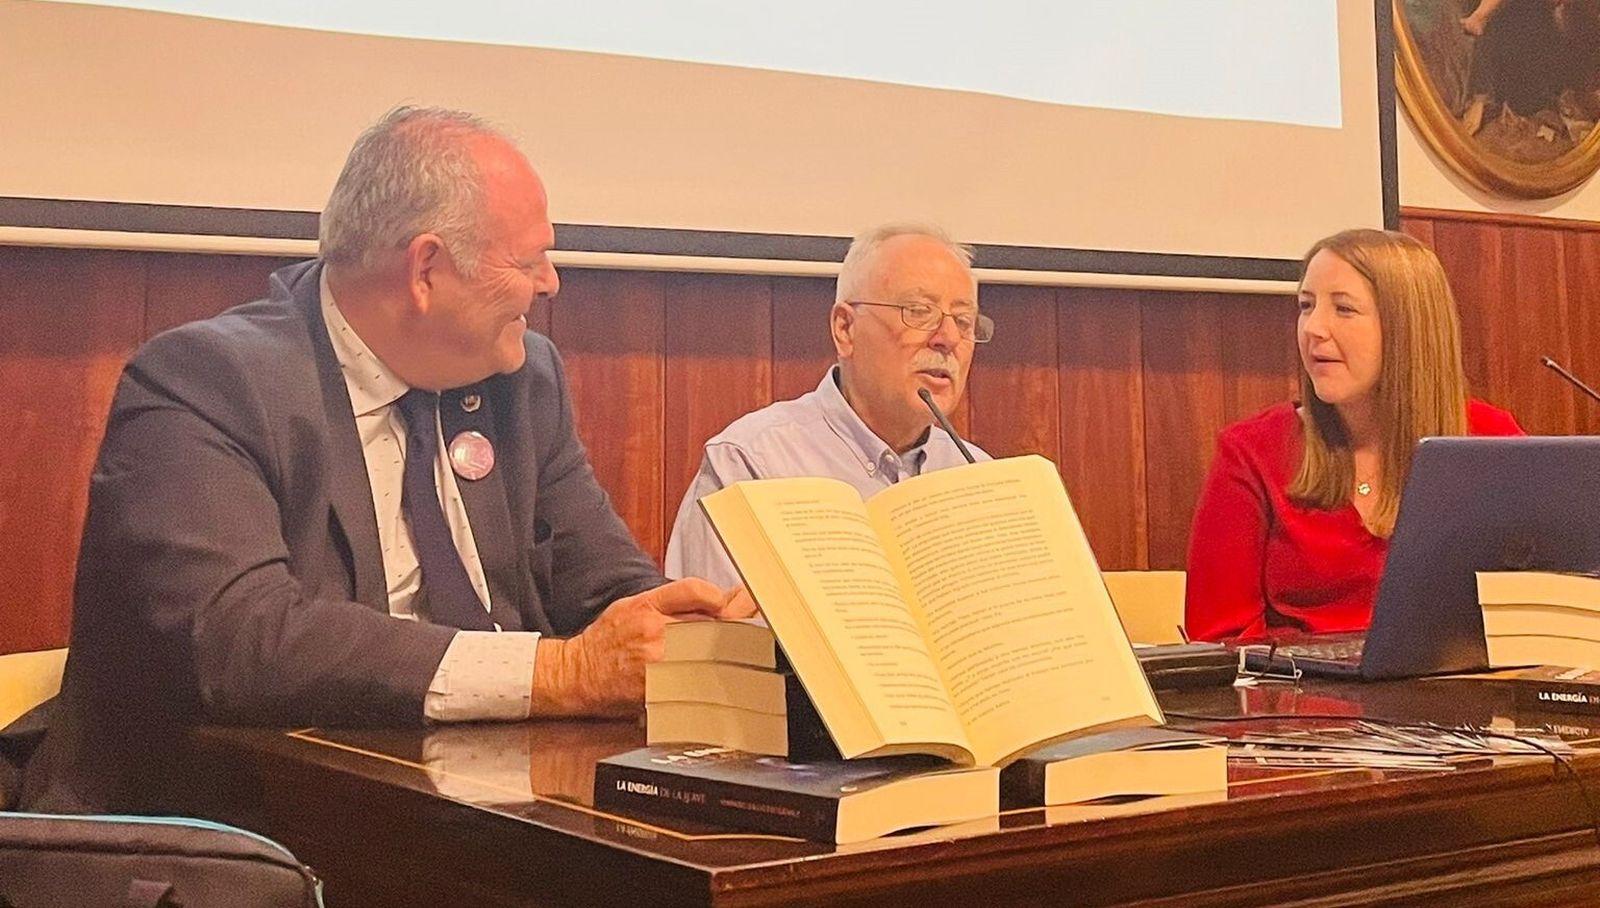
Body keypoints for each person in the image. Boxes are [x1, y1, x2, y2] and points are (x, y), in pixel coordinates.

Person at [21, 107, 747, 814]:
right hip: (236, 831)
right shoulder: (206, 382)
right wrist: (560, 672)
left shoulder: (521, 382)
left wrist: (697, 631)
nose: (551, 282)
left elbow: (606, 589)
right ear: (426, 269)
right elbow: (237, 641)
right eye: (528, 260)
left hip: (479, 818)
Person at [1184, 228, 1523, 643]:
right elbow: (1219, 641)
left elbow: (1536, 612)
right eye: (1306, 306)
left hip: (1458, 697)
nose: (1313, 329)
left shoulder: (1493, 441)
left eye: (1343, 309)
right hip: (1298, 701)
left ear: (1407, 330)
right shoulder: (1251, 451)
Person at [664, 224, 993, 589]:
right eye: (918, 312)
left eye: (963, 321)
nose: (948, 339)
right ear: (845, 329)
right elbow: (717, 639)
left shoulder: (980, 478)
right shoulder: (754, 463)